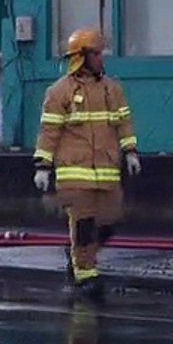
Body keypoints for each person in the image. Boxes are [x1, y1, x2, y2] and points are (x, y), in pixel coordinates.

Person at [33, 27, 141, 302]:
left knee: (110, 221)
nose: (100, 58)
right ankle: (84, 271)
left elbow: (124, 123)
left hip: (106, 172)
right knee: (83, 223)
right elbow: (49, 132)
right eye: (95, 53)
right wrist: (43, 166)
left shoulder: (112, 90)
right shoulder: (60, 93)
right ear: (81, 56)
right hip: (74, 174)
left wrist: (130, 152)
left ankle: (80, 257)